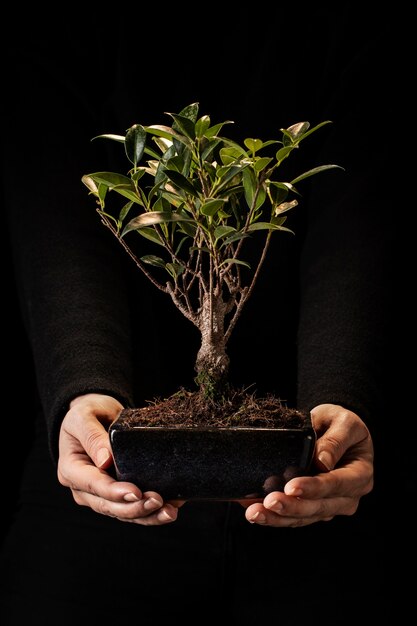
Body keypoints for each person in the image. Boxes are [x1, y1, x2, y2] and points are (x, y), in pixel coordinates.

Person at [1, 6, 401, 624]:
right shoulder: (69, 31)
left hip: (330, 530)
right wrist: (84, 387)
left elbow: (360, 215)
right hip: (95, 540)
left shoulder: (343, 32)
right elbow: (57, 210)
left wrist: (342, 390)